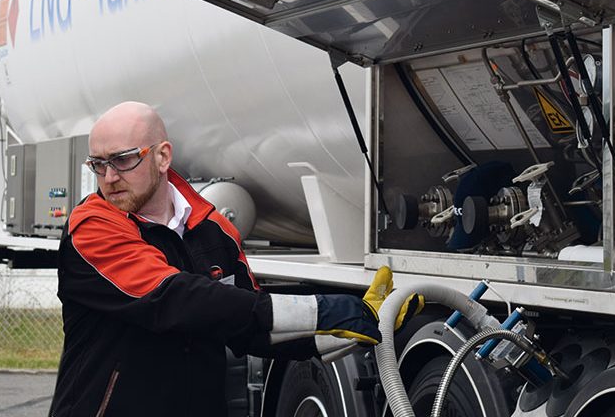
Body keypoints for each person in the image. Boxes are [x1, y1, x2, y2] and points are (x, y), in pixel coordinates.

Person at [49, 101, 409, 417]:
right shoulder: (92, 226)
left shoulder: (213, 229)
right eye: (98, 164)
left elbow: (247, 326)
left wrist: (359, 327)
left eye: (123, 160)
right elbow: (174, 298)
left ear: (162, 156)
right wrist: (325, 309)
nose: (109, 178)